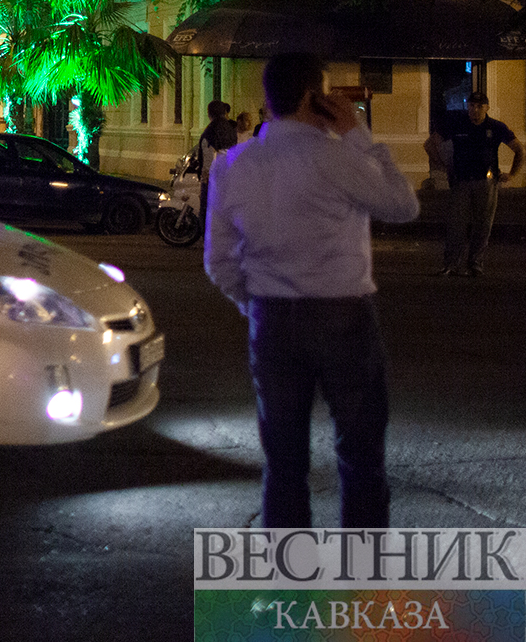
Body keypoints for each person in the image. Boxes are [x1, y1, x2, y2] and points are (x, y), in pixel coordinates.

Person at [205, 52, 419, 529]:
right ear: (312, 97)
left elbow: (219, 259)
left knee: (283, 463)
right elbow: (403, 205)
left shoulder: (232, 166)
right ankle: (361, 579)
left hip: (272, 319)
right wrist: (358, 134)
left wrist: (253, 301)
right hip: (344, 317)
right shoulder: (338, 157)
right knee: (360, 456)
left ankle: (288, 581)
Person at [425, 91, 523, 277]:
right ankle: (451, 264)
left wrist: (511, 174)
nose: (475, 110)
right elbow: (430, 144)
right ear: (467, 106)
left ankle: (475, 264)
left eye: (479, 106)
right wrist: (443, 167)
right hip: (461, 181)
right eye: (471, 106)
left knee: (483, 225)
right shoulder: (457, 123)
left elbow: (519, 149)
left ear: (487, 108)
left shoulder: (495, 127)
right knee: (456, 225)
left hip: (486, 183)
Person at [197, 101, 239, 216]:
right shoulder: (230, 130)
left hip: (214, 180)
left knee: (207, 214)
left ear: (209, 114)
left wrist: (204, 180)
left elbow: (207, 161)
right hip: (230, 178)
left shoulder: (210, 132)